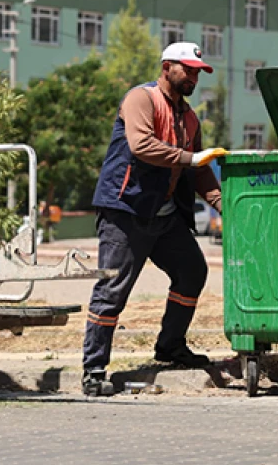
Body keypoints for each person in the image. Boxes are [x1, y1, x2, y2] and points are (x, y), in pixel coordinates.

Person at [82, 42, 227, 396]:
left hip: (164, 216)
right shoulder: (141, 99)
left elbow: (201, 172)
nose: (193, 76)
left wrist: (226, 207)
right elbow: (141, 145)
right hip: (126, 212)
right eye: (187, 69)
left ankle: (170, 347)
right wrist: (191, 159)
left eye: (197, 72)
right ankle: (94, 369)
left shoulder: (190, 118)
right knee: (113, 290)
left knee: (192, 271)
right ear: (167, 67)